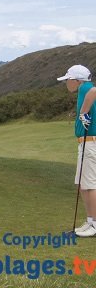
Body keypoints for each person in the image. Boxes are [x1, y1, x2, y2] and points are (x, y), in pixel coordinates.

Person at [58, 65, 96, 237]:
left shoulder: (85, 88)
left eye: (68, 80)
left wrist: (84, 112)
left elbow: (94, 91)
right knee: (83, 185)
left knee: (90, 184)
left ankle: (94, 225)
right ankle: (90, 222)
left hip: (91, 143)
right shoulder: (83, 88)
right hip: (85, 143)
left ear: (77, 80)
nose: (67, 83)